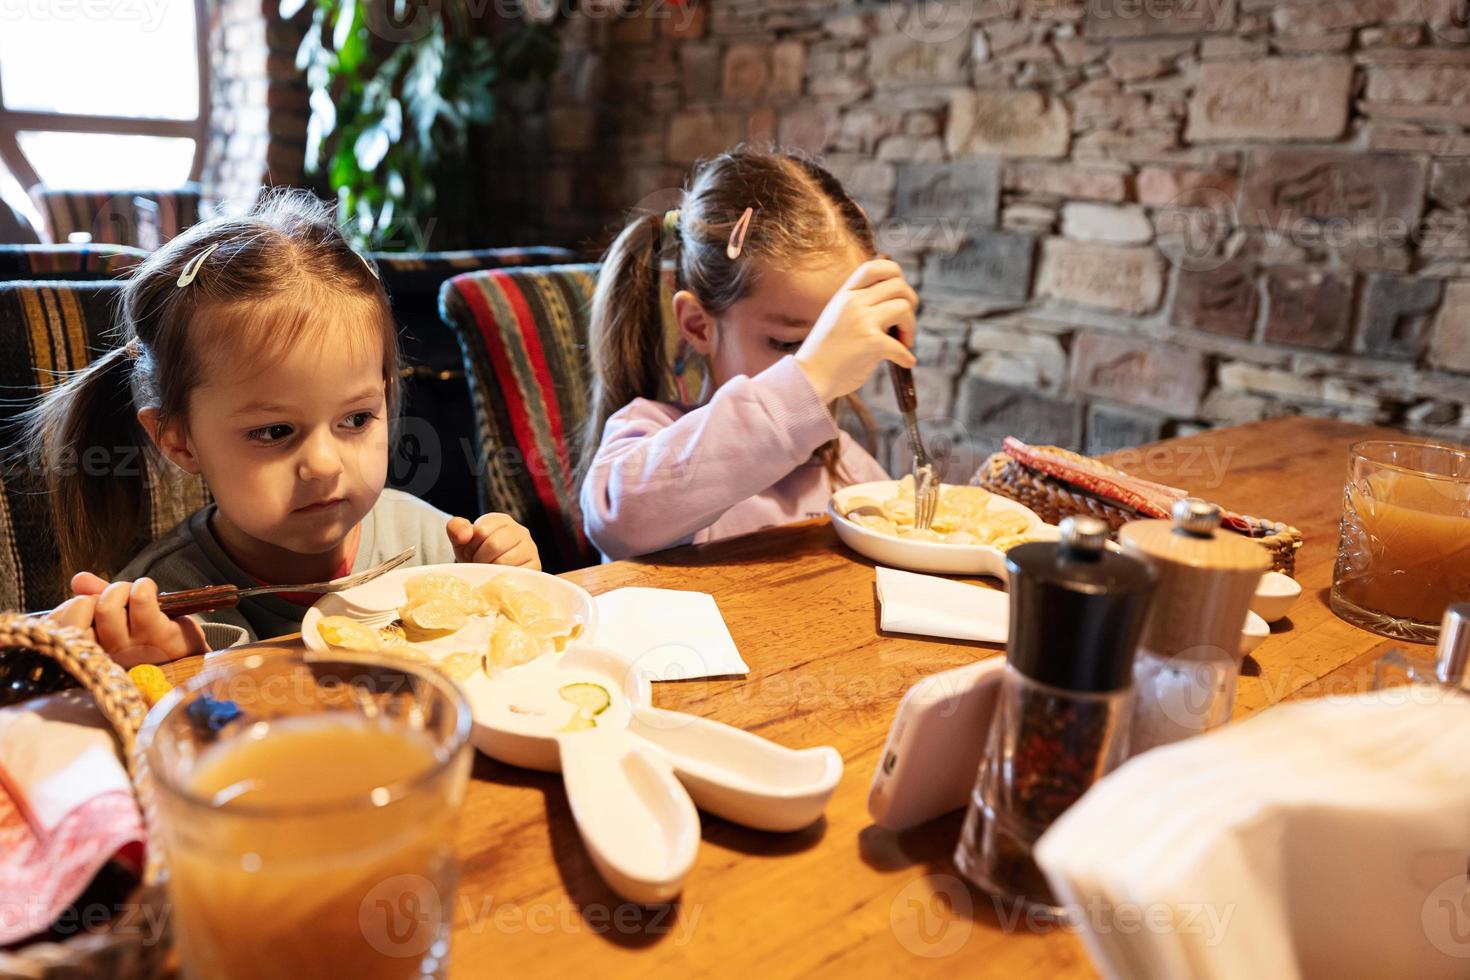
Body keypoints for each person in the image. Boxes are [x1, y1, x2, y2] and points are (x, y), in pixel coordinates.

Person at [25, 189, 539, 664]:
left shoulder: (428, 541)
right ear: (178, 439)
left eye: (356, 419)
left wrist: (506, 585)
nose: (323, 464)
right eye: (274, 432)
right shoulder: (163, 600)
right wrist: (169, 662)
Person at [580, 146, 918, 560]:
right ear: (697, 325)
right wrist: (811, 376)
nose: (821, 365)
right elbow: (620, 523)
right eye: (788, 343)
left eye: (834, 342)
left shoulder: (843, 463)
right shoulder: (649, 434)